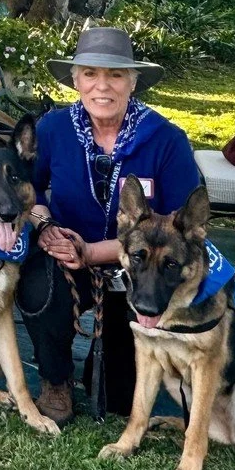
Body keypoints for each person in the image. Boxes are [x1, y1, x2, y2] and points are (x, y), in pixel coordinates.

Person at [19, 27, 201, 426]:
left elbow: (183, 225)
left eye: (115, 75)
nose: (102, 86)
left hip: (141, 271)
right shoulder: (53, 129)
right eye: (90, 74)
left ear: (133, 82)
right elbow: (26, 187)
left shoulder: (166, 140)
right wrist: (46, 224)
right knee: (37, 286)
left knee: (116, 398)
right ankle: (55, 381)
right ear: (76, 80)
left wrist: (93, 251)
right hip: (65, 259)